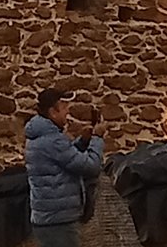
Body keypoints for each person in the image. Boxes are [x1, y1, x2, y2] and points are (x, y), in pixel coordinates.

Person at [23, 87, 104, 247]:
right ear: (53, 112)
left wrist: (82, 142)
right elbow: (91, 167)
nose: (68, 112)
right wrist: (97, 138)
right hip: (58, 222)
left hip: (50, 219)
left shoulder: (43, 136)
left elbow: (64, 159)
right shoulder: (53, 140)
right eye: (64, 108)